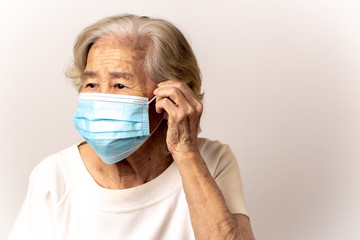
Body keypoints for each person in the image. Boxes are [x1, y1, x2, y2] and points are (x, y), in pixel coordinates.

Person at [9, 14, 255, 240]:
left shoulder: (213, 161)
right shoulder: (54, 176)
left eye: (119, 85)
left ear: (170, 96)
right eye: (91, 84)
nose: (100, 99)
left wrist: (186, 152)